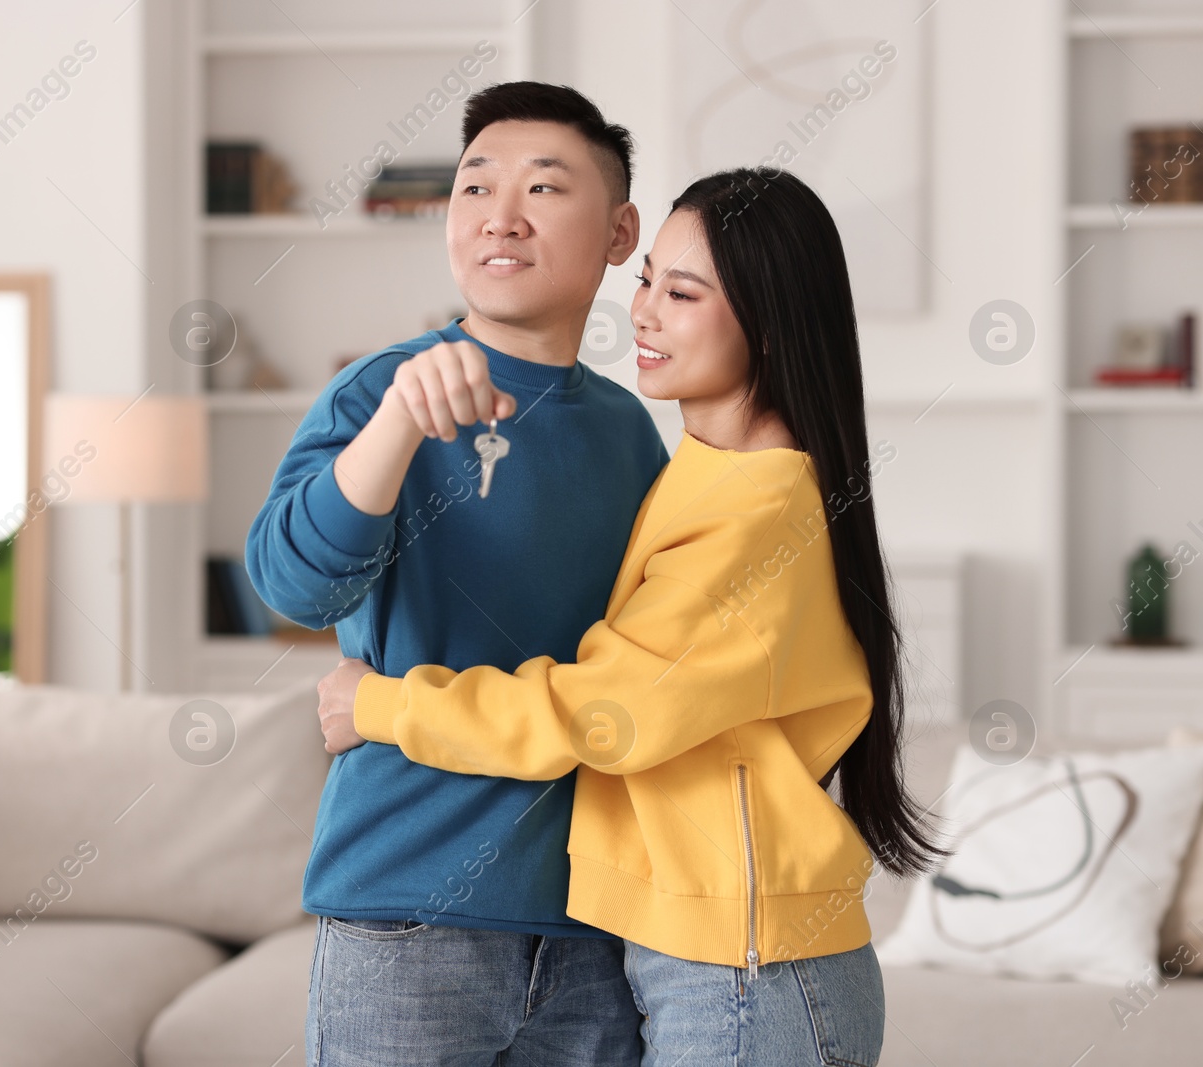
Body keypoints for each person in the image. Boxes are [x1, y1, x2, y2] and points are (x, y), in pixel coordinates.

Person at [313, 167, 950, 1067]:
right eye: (647, 277)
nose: (642, 311)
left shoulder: (758, 507)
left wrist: (377, 706)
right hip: (698, 955)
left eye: (682, 293)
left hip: (746, 970)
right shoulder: (694, 466)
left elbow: (602, 709)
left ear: (770, 324)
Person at [246, 82, 666, 1064]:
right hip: (403, 916)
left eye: (543, 187)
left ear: (618, 231)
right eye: (474, 187)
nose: (498, 215)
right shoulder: (378, 394)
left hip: (593, 929)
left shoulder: (629, 434)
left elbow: (637, 677)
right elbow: (295, 587)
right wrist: (398, 422)